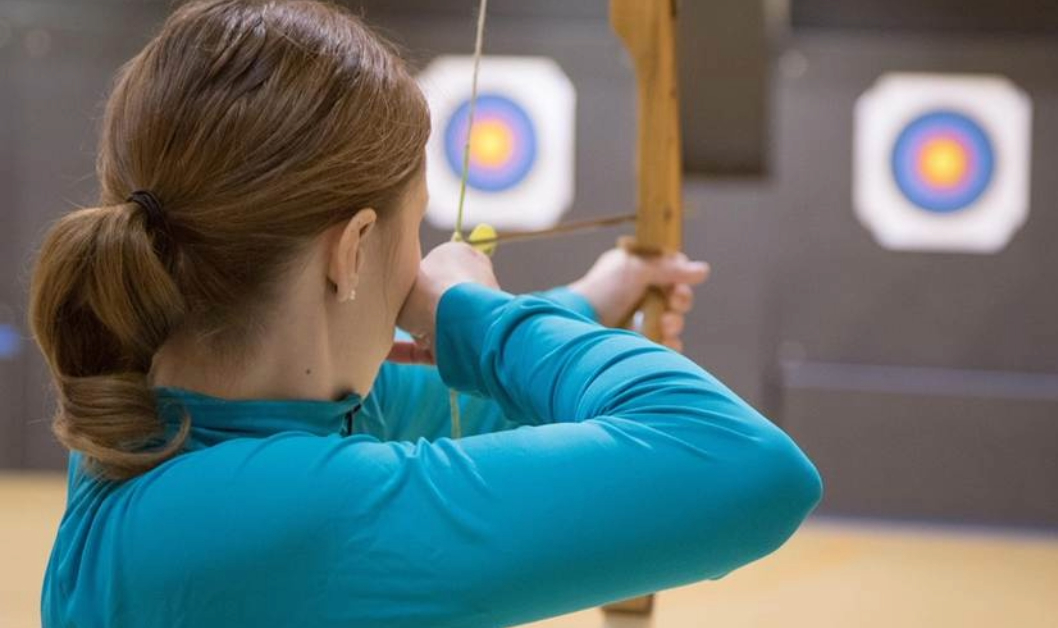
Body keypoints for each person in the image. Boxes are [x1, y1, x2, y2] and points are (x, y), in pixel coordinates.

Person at [27, 1, 823, 627]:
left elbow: (442, 399)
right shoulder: (262, 518)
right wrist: (473, 311)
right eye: (417, 231)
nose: (422, 262)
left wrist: (591, 302)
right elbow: (747, 466)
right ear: (353, 250)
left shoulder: (157, 416)